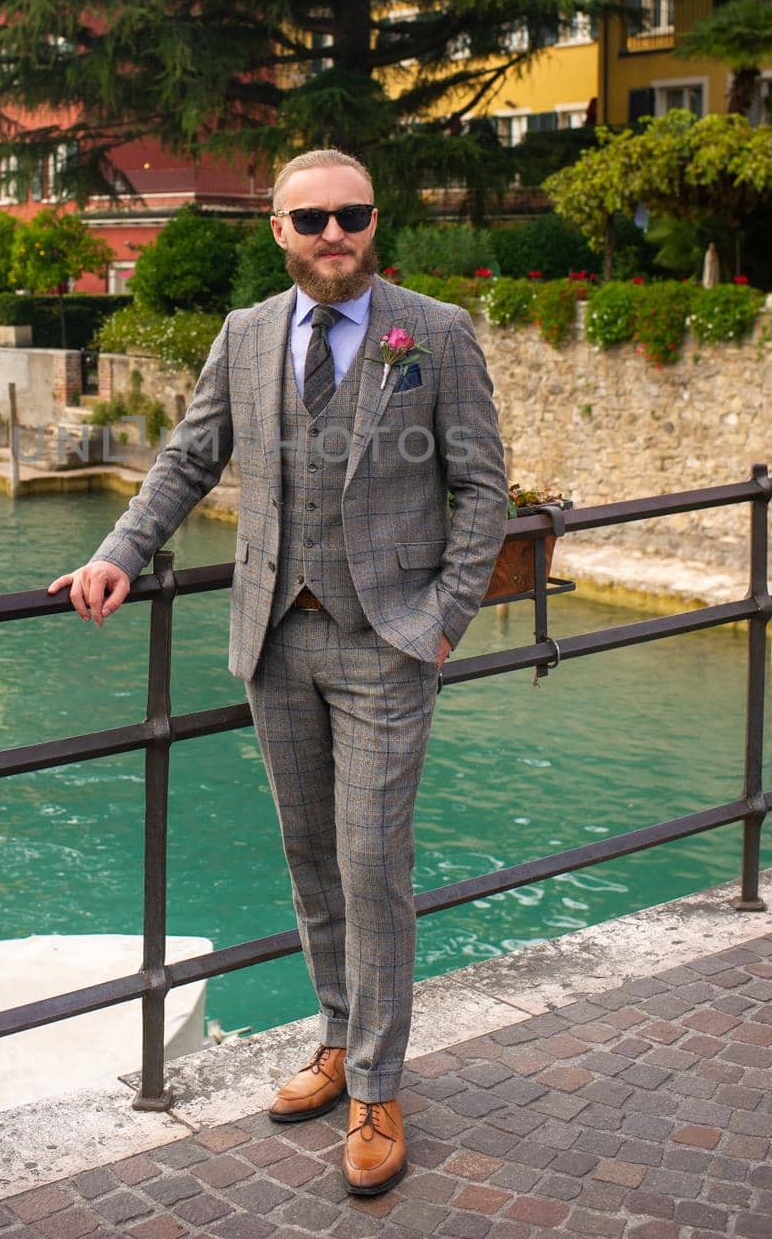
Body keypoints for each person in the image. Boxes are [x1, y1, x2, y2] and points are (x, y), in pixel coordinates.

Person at [48, 148, 507, 1196]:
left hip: (389, 638)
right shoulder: (245, 333)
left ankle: (379, 1087)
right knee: (309, 855)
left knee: (370, 859)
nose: (333, 233)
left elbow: (483, 490)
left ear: (376, 220)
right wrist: (121, 551)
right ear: (278, 229)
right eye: (312, 218)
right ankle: (341, 1039)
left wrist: (441, 623)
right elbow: (188, 456)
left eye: (351, 214)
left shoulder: (432, 329)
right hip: (274, 636)